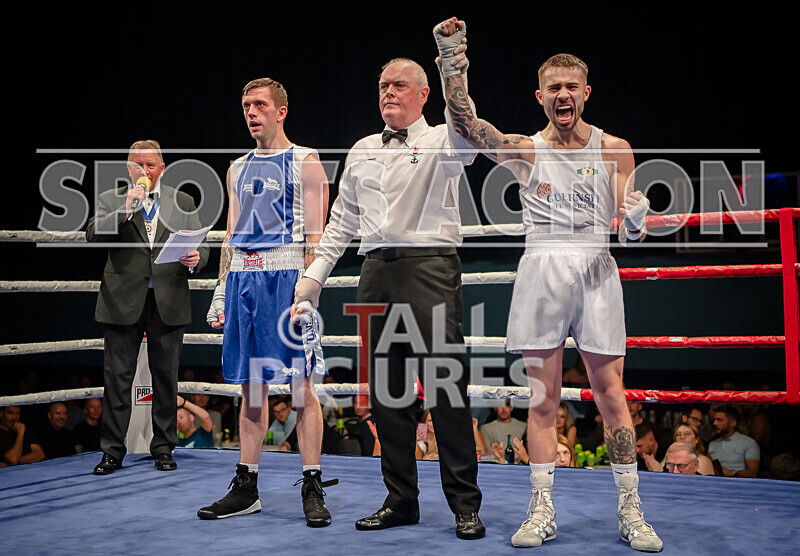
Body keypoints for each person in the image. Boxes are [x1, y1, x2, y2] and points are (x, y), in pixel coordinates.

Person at [435, 17, 661, 551]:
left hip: (597, 269)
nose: (562, 94)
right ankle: (541, 511)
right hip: (542, 267)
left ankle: (632, 511)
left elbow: (628, 223)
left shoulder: (615, 148)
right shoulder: (525, 149)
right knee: (542, 399)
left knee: (611, 395)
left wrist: (634, 218)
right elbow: (468, 126)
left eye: (571, 86)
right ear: (540, 96)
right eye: (553, 87)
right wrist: (451, 60)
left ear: (586, 92)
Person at [293, 55, 484, 539]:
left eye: (399, 85)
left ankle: (465, 505)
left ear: (423, 94)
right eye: (382, 85)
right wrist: (313, 279)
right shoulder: (361, 148)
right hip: (375, 272)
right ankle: (401, 501)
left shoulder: (445, 138)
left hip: (431, 268)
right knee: (387, 396)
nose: (388, 93)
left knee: (445, 390)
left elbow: (465, 120)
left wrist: (452, 68)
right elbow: (341, 223)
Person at [198, 77, 334, 528]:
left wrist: (310, 291)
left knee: (300, 387)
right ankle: (247, 485)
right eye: (245, 105)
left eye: (259, 104)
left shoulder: (305, 161)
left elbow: (318, 236)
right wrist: (221, 288)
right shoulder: (236, 167)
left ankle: (312, 483)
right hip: (243, 280)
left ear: (281, 111)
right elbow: (231, 234)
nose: (251, 112)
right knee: (250, 387)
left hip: (288, 277)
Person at [86, 139, 209, 475]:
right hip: (122, 300)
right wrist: (125, 209)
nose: (144, 171)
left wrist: (197, 259)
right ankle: (112, 451)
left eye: (150, 165)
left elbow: (200, 244)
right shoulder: (111, 199)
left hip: (168, 298)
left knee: (166, 378)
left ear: (161, 169)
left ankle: (164, 447)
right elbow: (93, 235)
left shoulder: (181, 200)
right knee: (117, 379)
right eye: (137, 165)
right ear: (129, 168)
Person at [708, 404, 760, 478]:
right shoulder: (712, 443)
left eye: (719, 420)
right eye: (714, 420)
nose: (715, 423)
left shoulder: (748, 443)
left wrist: (732, 472)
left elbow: (753, 473)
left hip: (739, 485)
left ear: (733, 423)